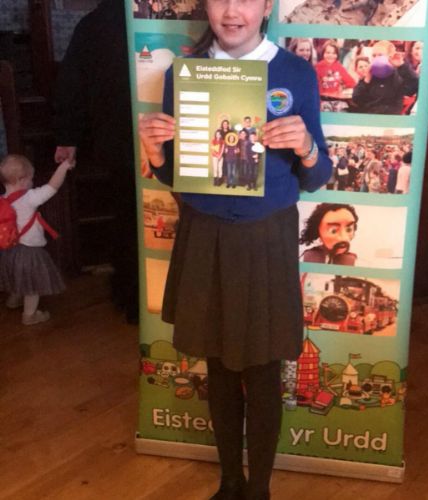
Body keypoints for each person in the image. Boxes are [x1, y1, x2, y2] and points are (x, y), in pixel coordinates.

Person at [138, 0, 332, 496]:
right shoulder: (184, 74)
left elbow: (317, 177)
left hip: (266, 236)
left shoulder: (295, 73)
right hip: (205, 234)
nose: (231, 11)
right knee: (219, 366)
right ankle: (229, 482)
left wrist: (307, 146)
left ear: (266, 6)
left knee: (264, 370)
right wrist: (156, 153)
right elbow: (178, 175)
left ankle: (258, 488)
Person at [52, 0, 138, 323]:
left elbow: (71, 85)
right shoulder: (98, 23)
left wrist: (68, 137)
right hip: (145, 141)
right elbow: (72, 85)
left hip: (118, 142)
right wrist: (68, 136)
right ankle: (140, 298)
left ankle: (129, 298)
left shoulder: (93, 23)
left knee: (127, 219)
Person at [0, 155, 74, 325]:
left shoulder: (2, 200)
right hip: (29, 251)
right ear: (21, 180)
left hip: (8, 250)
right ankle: (30, 315)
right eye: (31, 178)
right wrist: (63, 167)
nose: (32, 182)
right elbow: (52, 186)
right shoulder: (29, 198)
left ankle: (14, 300)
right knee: (32, 283)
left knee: (17, 275)